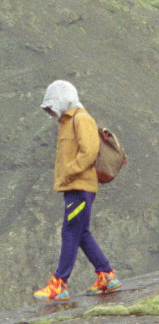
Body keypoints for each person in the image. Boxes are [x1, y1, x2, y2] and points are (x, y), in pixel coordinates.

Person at [34, 81, 121, 302]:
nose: (52, 111)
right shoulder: (68, 120)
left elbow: (90, 151)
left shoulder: (80, 118)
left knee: (70, 232)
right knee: (81, 233)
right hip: (75, 187)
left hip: (79, 186)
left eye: (53, 105)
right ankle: (106, 275)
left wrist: (70, 172)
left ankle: (59, 283)